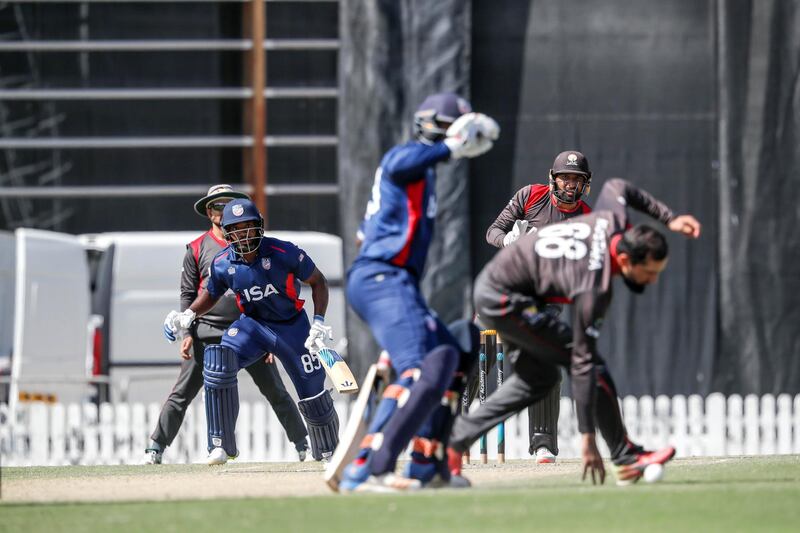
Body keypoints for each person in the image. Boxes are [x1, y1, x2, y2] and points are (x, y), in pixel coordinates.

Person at [449, 177, 701, 485]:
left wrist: (670, 219)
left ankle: (455, 440)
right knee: (589, 364)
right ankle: (626, 456)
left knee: (541, 378)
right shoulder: (593, 286)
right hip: (505, 297)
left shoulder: (611, 220)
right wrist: (587, 438)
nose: (652, 281)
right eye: (648, 273)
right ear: (624, 259)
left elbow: (619, 187)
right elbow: (582, 364)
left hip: (503, 288)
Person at [340, 92, 499, 492]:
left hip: (393, 282)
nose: (460, 140)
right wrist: (449, 146)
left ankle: (427, 466)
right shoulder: (404, 159)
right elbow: (400, 163)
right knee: (414, 367)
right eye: (451, 130)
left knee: (455, 350)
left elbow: (366, 234)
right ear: (433, 127)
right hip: (381, 279)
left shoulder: (421, 177)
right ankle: (366, 468)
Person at [162, 197, 339, 465]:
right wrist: (188, 314)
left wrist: (319, 321)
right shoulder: (222, 263)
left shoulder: (284, 252)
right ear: (227, 233)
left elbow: (319, 281)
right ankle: (220, 445)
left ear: (260, 227)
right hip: (253, 325)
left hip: (292, 326)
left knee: (312, 390)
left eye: (249, 227)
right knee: (218, 359)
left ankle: (328, 450)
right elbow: (211, 293)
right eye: (237, 229)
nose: (244, 235)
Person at [481, 150, 593, 464]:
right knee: (478, 353)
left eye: (577, 179)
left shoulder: (586, 216)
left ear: (585, 184)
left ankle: (542, 444)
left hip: (545, 302)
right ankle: (445, 432)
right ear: (553, 178)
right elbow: (493, 231)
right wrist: (510, 243)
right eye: (565, 177)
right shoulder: (531, 196)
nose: (570, 184)